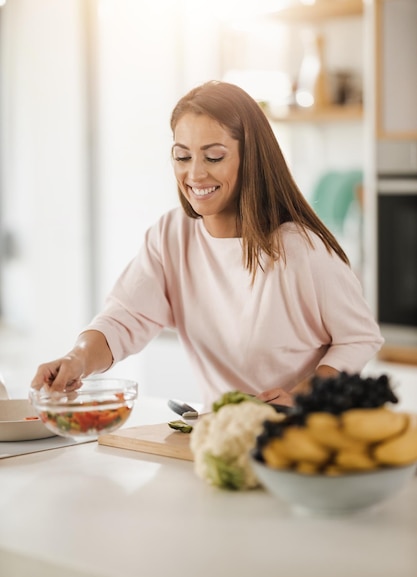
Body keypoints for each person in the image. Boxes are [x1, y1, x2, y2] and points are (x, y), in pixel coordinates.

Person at [31, 81, 383, 409]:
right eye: (183, 157)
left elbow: (359, 338)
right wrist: (76, 359)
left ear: (252, 158)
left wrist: (302, 396)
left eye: (213, 156)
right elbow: (124, 318)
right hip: (225, 434)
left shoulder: (301, 249)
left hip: (302, 433)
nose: (195, 174)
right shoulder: (171, 235)